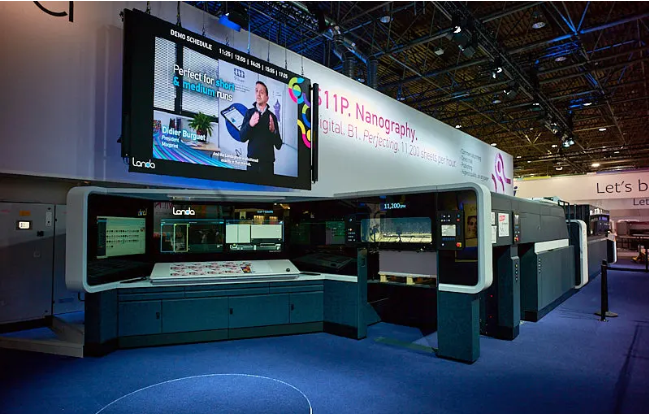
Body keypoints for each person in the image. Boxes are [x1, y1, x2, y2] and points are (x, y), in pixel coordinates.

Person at [240, 81, 282, 174]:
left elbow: (278, 145)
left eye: (261, 92)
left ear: (267, 98)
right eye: (256, 91)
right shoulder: (249, 113)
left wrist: (273, 131)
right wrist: (250, 124)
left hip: (268, 165)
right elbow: (242, 137)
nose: (258, 94)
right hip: (252, 164)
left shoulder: (272, 117)